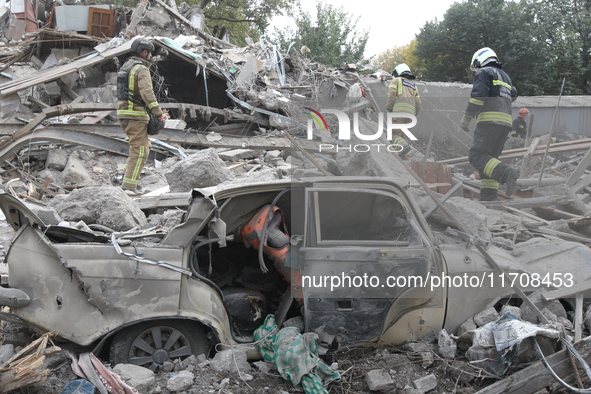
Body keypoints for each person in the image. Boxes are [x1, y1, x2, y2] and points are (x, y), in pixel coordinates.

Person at [460, 47, 519, 201]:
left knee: (476, 156)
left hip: (489, 121)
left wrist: (467, 117)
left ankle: (506, 173)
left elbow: (478, 98)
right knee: (489, 161)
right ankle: (489, 198)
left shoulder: (484, 72)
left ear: (480, 60)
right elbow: (513, 95)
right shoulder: (505, 77)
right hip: (505, 123)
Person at [116, 38, 165, 195]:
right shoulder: (141, 69)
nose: (151, 56)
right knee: (140, 151)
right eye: (150, 53)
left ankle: (128, 179)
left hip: (124, 113)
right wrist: (158, 112)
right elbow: (146, 93)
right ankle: (129, 186)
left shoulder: (126, 66)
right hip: (135, 114)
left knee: (141, 147)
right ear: (144, 52)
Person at [386, 63, 421, 158]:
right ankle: (406, 158)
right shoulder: (414, 86)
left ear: (398, 72)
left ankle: (403, 147)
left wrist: (389, 108)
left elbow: (391, 95)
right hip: (411, 115)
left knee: (393, 134)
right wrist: (415, 116)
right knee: (402, 135)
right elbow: (418, 104)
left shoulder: (395, 80)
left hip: (399, 112)